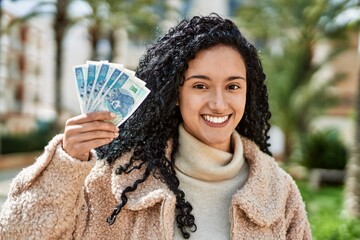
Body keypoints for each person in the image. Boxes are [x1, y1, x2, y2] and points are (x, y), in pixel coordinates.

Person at [0, 14, 311, 239]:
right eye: (200, 86)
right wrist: (65, 163)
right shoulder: (115, 180)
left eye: (233, 86)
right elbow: (19, 233)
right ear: (175, 93)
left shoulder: (278, 192)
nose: (219, 103)